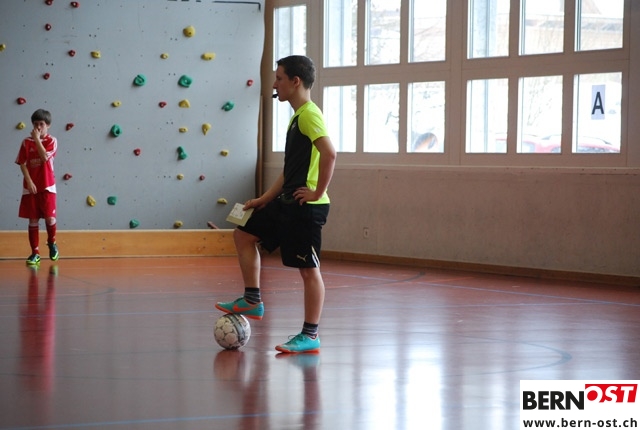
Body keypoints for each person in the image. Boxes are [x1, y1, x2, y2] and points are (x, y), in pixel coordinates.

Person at [216, 55, 337, 354]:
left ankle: (310, 335)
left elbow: (330, 153)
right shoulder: (297, 117)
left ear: (295, 81)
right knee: (244, 232)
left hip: (306, 207)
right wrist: (264, 199)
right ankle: (252, 299)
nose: (274, 84)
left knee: (308, 270)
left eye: (279, 78)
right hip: (286, 201)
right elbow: (289, 170)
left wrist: (317, 192)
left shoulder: (309, 115)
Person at [15, 109, 59, 266]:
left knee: (49, 218)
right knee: (33, 219)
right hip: (31, 187)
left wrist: (37, 139)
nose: (38, 127)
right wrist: (29, 181)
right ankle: (35, 253)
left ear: (48, 125)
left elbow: (44, 157)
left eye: (41, 124)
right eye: (35, 124)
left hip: (47, 186)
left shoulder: (52, 141)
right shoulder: (26, 142)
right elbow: (22, 163)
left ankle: (52, 242)